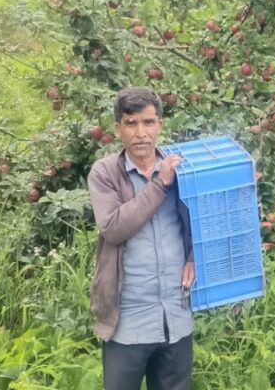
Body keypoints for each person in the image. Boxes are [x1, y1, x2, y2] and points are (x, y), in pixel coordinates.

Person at [87, 86, 196, 390]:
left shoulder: (184, 169)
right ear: (118, 129)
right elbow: (113, 227)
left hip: (176, 317)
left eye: (148, 122)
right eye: (131, 124)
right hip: (128, 322)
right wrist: (160, 184)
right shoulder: (106, 172)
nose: (141, 133)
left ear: (160, 124)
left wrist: (193, 257)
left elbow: (205, 222)